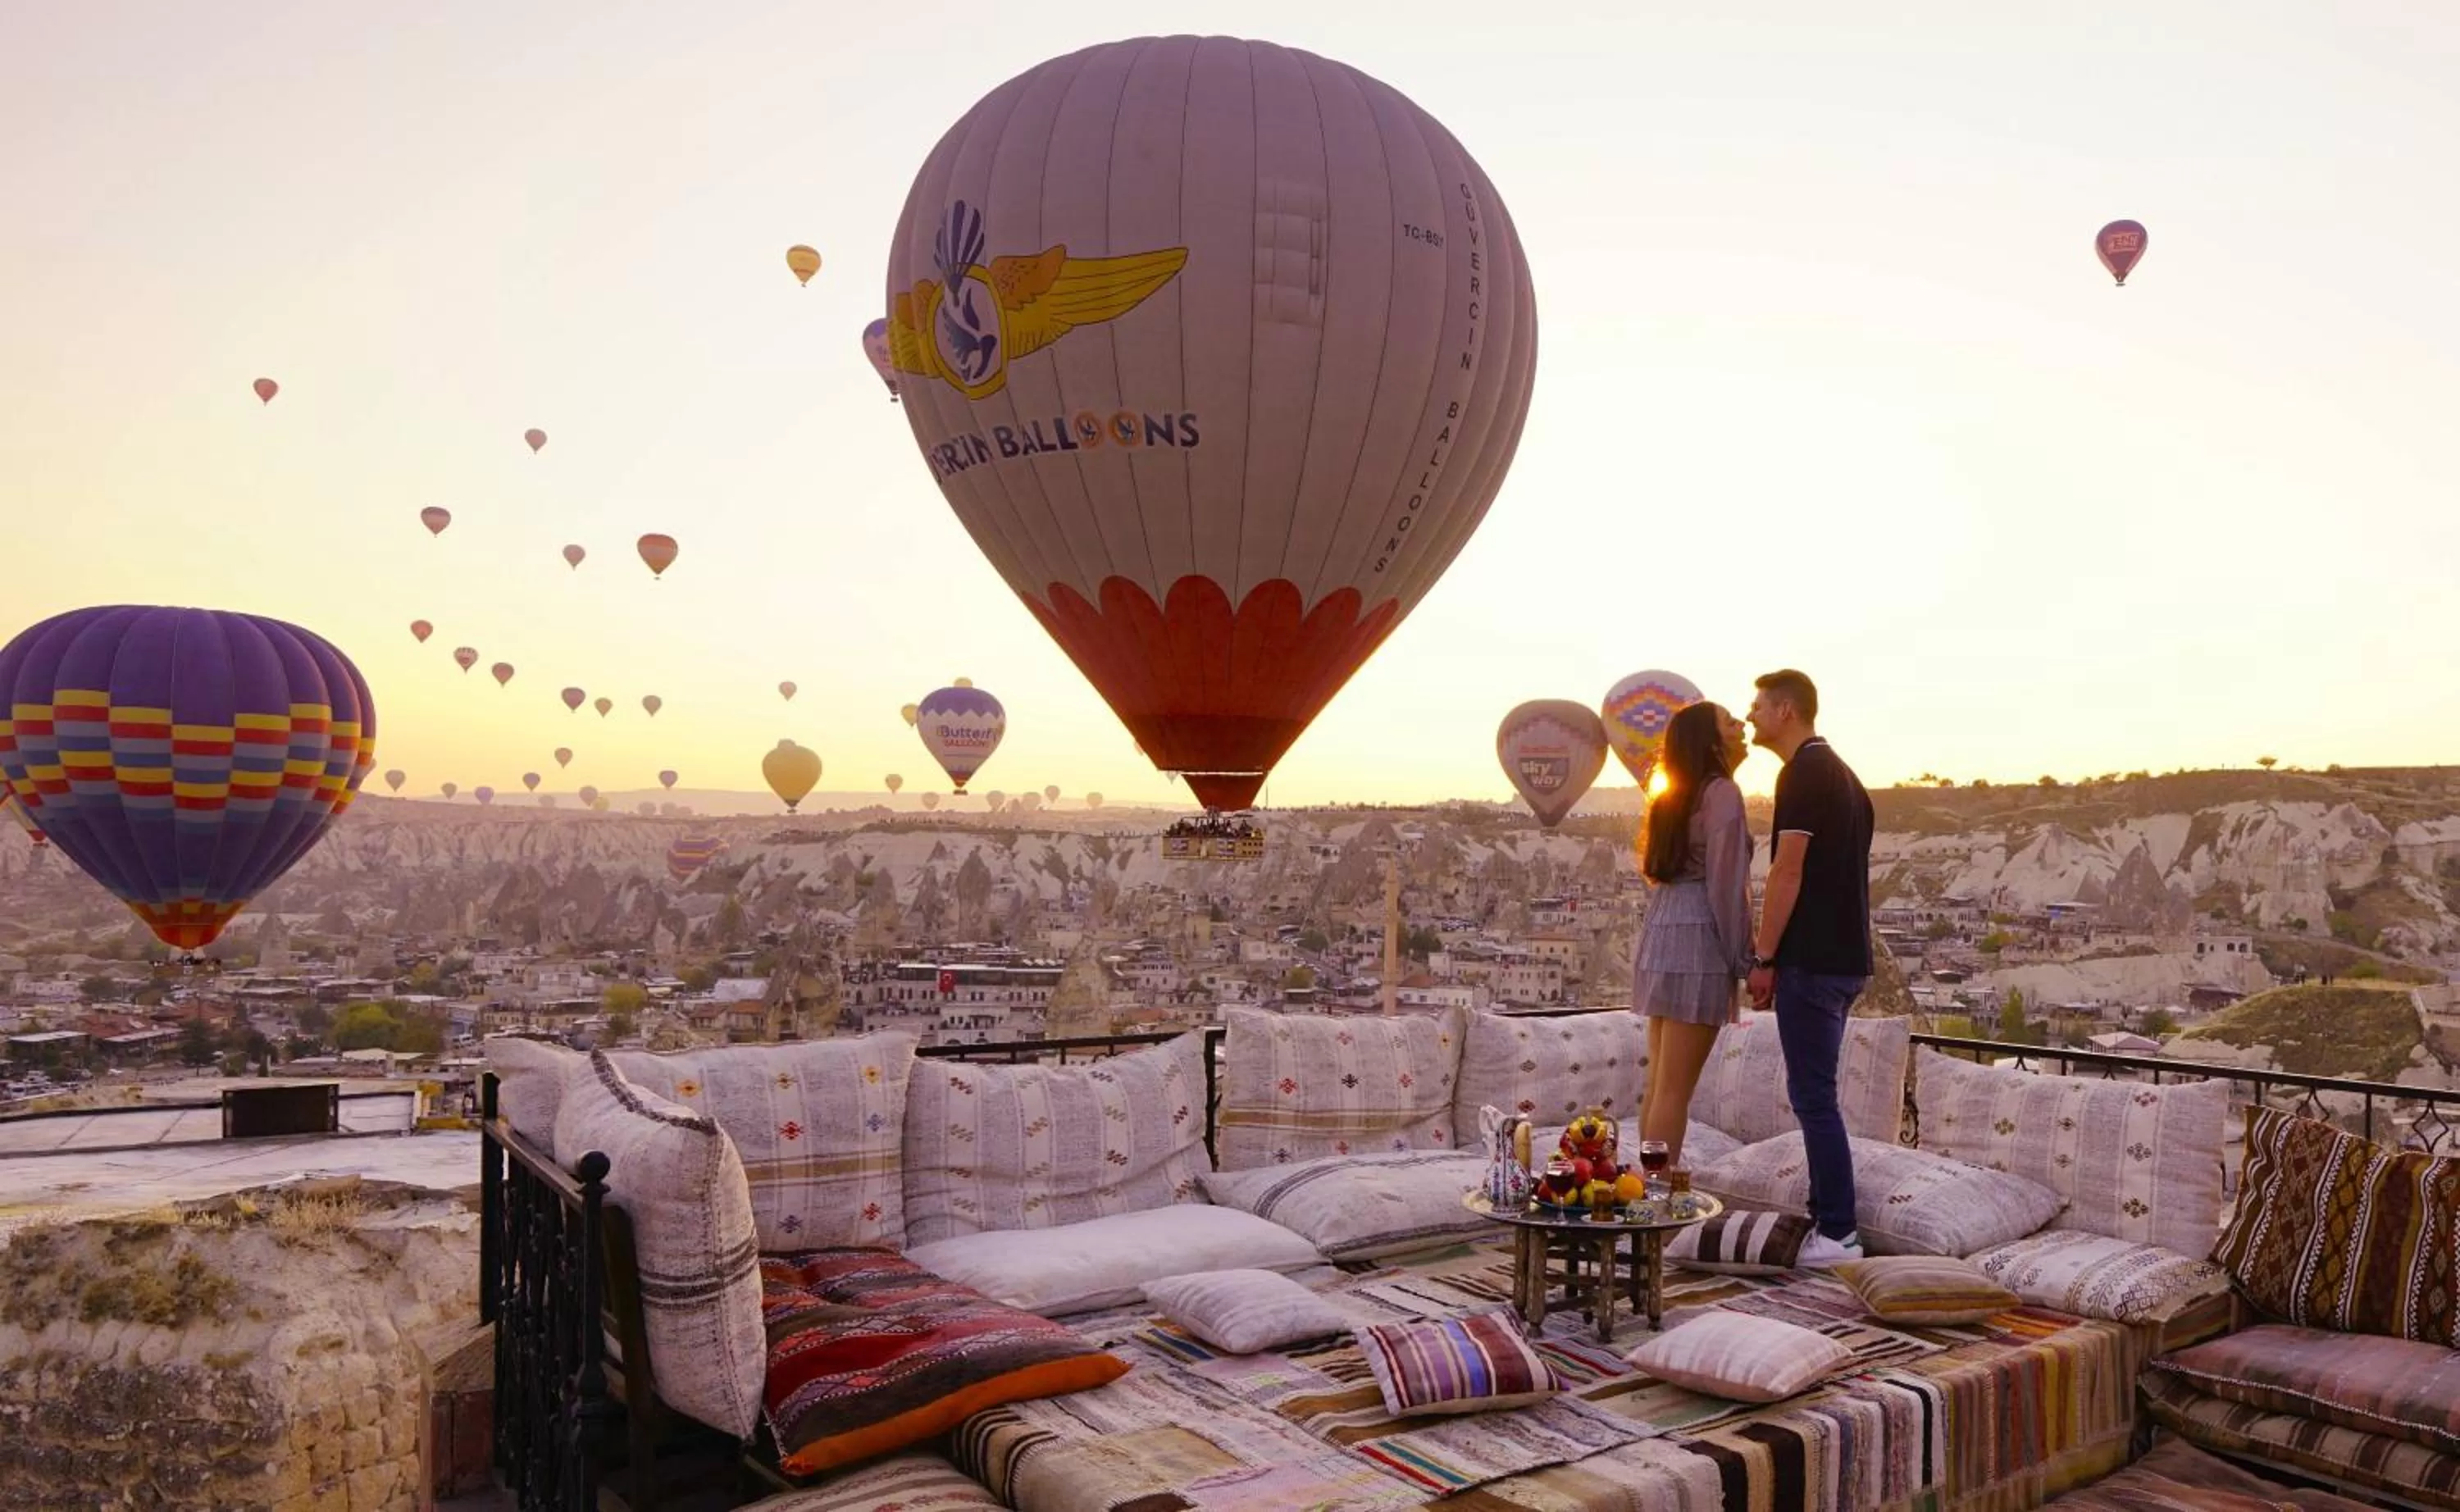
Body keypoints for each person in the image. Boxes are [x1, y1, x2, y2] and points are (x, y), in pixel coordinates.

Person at [1743, 669, 1875, 1268]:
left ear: (1787, 711)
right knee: (1814, 1094)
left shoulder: (1801, 774)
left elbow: (1787, 871)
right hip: (1846, 958)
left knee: (1813, 1098)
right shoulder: (1846, 776)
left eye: (1759, 707)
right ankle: (1827, 1221)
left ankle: (1840, 1231)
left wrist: (1764, 955)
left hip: (1813, 960)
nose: (1750, 717)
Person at [1631, 700, 1753, 1168]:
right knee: (1675, 1092)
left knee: (1660, 1086)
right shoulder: (1721, 793)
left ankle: (1641, 1188)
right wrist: (1746, 959)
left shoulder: (1671, 796)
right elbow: (1726, 886)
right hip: (1698, 933)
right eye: (1728, 722)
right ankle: (1655, 1200)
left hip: (1663, 927)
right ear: (1710, 741)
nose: (1740, 725)